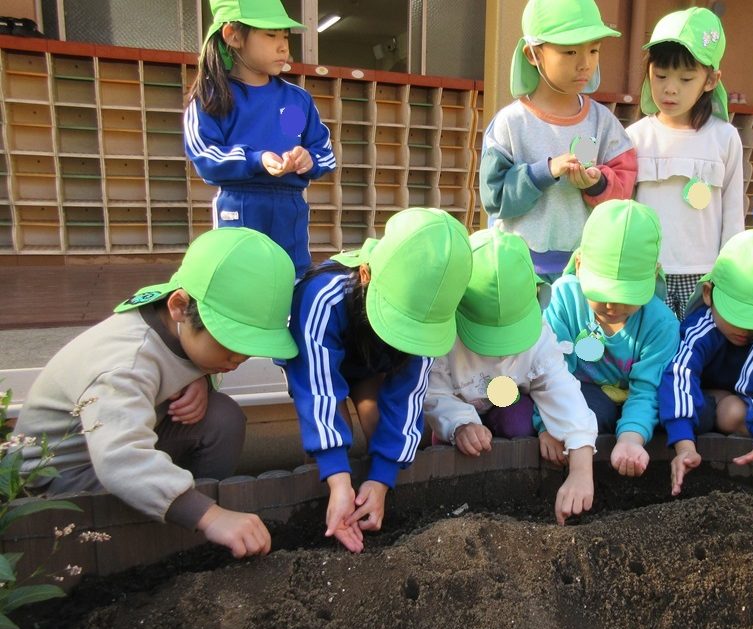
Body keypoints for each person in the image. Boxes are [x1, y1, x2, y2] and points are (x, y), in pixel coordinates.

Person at [15, 228, 298, 558]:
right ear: (179, 306)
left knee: (222, 417)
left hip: (110, 448)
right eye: (229, 345)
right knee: (170, 487)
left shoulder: (170, 315)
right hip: (61, 480)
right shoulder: (125, 363)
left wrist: (203, 379)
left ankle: (181, 514)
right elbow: (120, 457)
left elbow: (181, 358)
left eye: (248, 351)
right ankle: (179, 525)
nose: (236, 361)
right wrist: (212, 516)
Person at [284, 208, 472, 553]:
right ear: (367, 275)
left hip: (375, 364)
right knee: (330, 431)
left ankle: (369, 494)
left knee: (378, 425)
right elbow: (316, 385)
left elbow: (409, 394)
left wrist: (382, 478)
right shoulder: (322, 295)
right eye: (402, 320)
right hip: (325, 360)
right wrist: (338, 478)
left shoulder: (432, 319)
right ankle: (333, 498)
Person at [424, 229, 596, 524]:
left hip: (505, 401)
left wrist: (581, 470)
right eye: (485, 338)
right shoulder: (441, 337)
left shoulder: (539, 335)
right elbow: (433, 392)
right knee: (439, 441)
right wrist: (460, 423)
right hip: (460, 402)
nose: (500, 353)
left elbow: (562, 391)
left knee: (518, 423)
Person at [480, 0, 636, 280]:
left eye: (594, 50)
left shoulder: (603, 123)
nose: (584, 63)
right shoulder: (510, 124)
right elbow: (495, 197)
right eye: (570, 51)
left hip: (584, 270)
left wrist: (598, 182)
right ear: (532, 54)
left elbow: (625, 190)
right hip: (518, 270)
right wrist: (543, 172)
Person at [184, 0, 337, 278]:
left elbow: (323, 151)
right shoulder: (213, 97)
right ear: (233, 36)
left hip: (290, 205)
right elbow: (204, 154)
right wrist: (257, 159)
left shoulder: (295, 100)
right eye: (270, 35)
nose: (283, 47)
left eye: (285, 37)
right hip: (240, 204)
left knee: (293, 279)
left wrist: (307, 158)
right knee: (241, 280)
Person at [542, 200, 679, 478]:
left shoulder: (661, 323)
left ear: (652, 277)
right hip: (582, 393)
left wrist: (631, 438)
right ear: (579, 265)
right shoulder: (564, 299)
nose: (613, 307)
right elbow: (550, 373)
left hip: (635, 401)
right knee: (597, 410)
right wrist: (547, 426)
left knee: (678, 410)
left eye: (627, 298)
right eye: (601, 294)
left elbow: (647, 390)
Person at [626, 7, 744, 319]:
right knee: (650, 357)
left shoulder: (725, 137)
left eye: (686, 78)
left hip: (705, 276)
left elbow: (733, 215)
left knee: (696, 356)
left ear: (710, 80)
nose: (670, 88)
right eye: (660, 75)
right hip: (647, 273)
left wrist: (728, 278)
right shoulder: (635, 137)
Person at [659, 230, 753, 495]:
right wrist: (685, 445)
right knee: (731, 409)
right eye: (739, 316)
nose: (746, 329)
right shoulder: (703, 330)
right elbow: (679, 375)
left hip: (749, 402)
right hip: (709, 402)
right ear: (709, 294)